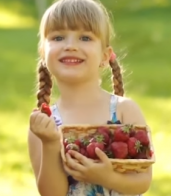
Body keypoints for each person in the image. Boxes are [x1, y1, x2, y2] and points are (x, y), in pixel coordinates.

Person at [28, 0, 152, 195]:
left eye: (85, 38)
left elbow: (143, 180)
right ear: (43, 52)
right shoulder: (43, 125)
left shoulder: (124, 110)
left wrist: (106, 178)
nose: (70, 46)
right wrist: (51, 144)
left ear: (105, 56)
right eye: (58, 37)